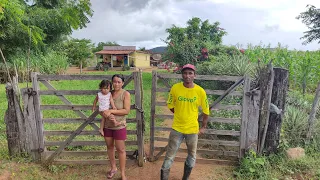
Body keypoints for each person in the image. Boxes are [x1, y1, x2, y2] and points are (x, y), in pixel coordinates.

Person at [160, 64, 210, 180]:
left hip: (192, 130)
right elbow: (170, 105)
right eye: (185, 73)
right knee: (169, 156)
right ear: (182, 75)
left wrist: (203, 127)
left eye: (190, 73)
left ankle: (185, 178)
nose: (187, 76)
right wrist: (179, 114)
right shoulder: (175, 88)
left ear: (194, 75)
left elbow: (206, 110)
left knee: (192, 156)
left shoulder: (200, 91)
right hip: (177, 128)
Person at [102, 74, 130, 180]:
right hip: (107, 126)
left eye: (119, 82)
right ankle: (113, 168)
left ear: (123, 83)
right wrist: (104, 113)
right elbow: (102, 107)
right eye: (114, 81)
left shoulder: (125, 94)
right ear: (111, 82)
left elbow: (126, 110)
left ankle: (123, 173)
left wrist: (111, 111)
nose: (116, 84)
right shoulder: (108, 93)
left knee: (121, 149)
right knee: (110, 147)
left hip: (120, 126)